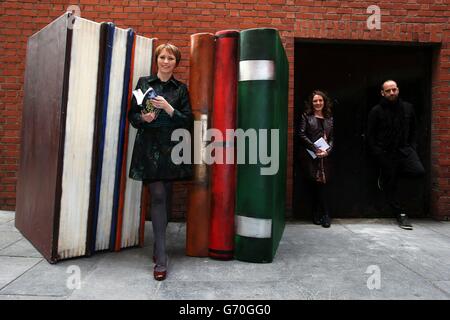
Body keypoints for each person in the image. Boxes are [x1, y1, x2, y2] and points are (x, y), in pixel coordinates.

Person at [128, 43, 193, 281]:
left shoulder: (181, 89)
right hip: (149, 149)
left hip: (172, 149)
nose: (166, 61)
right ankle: (162, 257)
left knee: (164, 198)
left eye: (171, 58)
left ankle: (158, 246)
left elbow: (188, 120)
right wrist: (142, 117)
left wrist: (168, 108)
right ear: (157, 60)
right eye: (162, 57)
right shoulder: (144, 83)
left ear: (176, 63)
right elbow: (132, 116)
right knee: (157, 195)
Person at [367, 80, 425, 230]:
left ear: (398, 90)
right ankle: (401, 214)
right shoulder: (376, 111)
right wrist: (379, 154)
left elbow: (414, 130)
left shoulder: (408, 108)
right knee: (391, 183)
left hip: (405, 151)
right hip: (386, 153)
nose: (392, 93)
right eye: (388, 91)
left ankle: (390, 179)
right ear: (382, 93)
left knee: (418, 172)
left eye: (394, 90)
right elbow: (370, 136)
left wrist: (412, 148)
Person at [299, 90, 334, 228]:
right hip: (310, 156)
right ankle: (322, 214)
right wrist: (315, 148)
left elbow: (332, 138)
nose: (318, 103)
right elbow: (301, 134)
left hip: (325, 157)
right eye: (315, 101)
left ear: (324, 102)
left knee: (322, 185)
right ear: (311, 103)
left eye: (320, 100)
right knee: (315, 185)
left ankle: (321, 214)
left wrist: (328, 150)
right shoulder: (306, 117)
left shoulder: (329, 118)